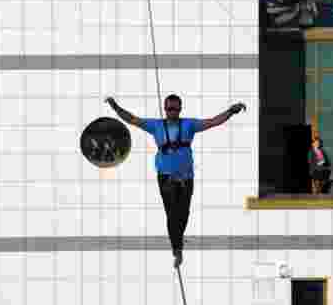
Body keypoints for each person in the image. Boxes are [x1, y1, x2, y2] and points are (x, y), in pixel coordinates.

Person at [105, 94, 246, 268]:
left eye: (176, 108)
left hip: (186, 177)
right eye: (170, 108)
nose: (173, 112)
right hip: (166, 177)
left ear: (180, 109)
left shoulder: (189, 124)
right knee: (172, 213)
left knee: (184, 213)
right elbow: (133, 119)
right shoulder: (155, 125)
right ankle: (177, 249)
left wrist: (231, 111)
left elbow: (213, 122)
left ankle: (177, 239)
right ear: (165, 109)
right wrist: (116, 107)